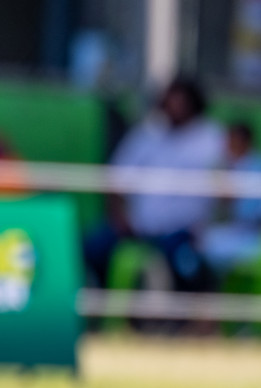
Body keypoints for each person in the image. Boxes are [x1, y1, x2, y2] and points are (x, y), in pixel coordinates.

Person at [83, 78, 225, 293]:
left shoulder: (212, 140)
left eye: (178, 100)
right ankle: (106, 305)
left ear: (193, 103)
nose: (171, 106)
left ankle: (184, 321)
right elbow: (117, 178)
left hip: (184, 232)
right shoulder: (148, 133)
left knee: (189, 268)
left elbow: (228, 189)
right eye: (168, 99)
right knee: (92, 247)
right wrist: (120, 218)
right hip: (137, 227)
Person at [198, 122, 261, 275]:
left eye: (234, 141)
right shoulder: (222, 165)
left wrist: (233, 200)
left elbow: (258, 213)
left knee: (211, 244)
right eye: (228, 141)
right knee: (201, 240)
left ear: (245, 142)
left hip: (253, 233)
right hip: (230, 228)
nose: (229, 146)